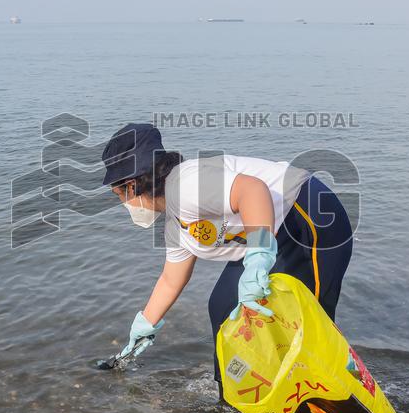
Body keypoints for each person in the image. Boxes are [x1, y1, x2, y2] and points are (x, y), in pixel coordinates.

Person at [102, 123, 354, 388]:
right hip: (274, 234)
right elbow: (171, 279)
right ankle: (231, 400)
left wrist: (258, 258)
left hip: (308, 216)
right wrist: (145, 325)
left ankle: (335, 391)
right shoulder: (175, 223)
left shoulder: (186, 184)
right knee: (223, 308)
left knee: (309, 323)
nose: (122, 203)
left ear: (131, 186)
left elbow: (252, 191)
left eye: (118, 194)